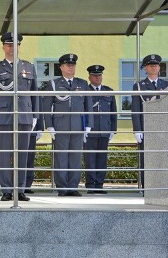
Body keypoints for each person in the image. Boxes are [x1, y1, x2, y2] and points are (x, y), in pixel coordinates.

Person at [0, 32, 39, 202]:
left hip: (24, 116)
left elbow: (35, 93)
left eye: (15, 44)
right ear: (3, 46)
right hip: (4, 117)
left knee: (22, 154)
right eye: (8, 44)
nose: (11, 48)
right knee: (4, 155)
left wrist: (35, 115)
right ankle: (7, 189)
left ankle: (20, 189)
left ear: (19, 46)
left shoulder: (28, 67)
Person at [41, 53, 92, 196]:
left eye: (73, 65)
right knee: (61, 158)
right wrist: (49, 125)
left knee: (75, 158)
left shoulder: (82, 84)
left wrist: (88, 125)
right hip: (60, 125)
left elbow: (88, 105)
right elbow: (47, 106)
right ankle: (62, 187)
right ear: (61, 67)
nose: (71, 67)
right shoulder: (54, 84)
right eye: (68, 65)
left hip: (78, 125)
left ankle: (73, 186)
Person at [131, 53, 168, 191]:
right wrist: (137, 130)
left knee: (164, 157)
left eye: (156, 65)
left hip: (164, 128)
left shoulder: (167, 85)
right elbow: (135, 109)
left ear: (159, 67)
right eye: (150, 65)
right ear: (145, 68)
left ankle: (164, 186)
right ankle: (147, 187)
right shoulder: (139, 86)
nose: (154, 67)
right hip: (147, 127)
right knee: (147, 159)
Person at [84, 64, 117, 194]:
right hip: (90, 131)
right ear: (89, 77)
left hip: (104, 129)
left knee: (102, 158)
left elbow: (113, 112)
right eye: (94, 75)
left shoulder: (108, 91)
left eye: (99, 75)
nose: (97, 78)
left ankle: (99, 184)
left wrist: (113, 130)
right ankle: (91, 184)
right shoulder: (85, 91)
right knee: (90, 158)